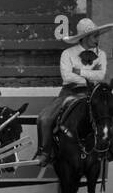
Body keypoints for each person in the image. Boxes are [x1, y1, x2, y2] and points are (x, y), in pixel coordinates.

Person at [34, 16, 111, 169]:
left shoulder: (101, 54)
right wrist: (90, 75)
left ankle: (108, 149)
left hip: (92, 93)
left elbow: (101, 75)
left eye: (98, 36)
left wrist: (80, 71)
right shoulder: (67, 53)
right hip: (70, 91)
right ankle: (44, 151)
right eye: (95, 36)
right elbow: (67, 76)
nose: (98, 39)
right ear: (85, 37)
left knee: (106, 114)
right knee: (45, 117)